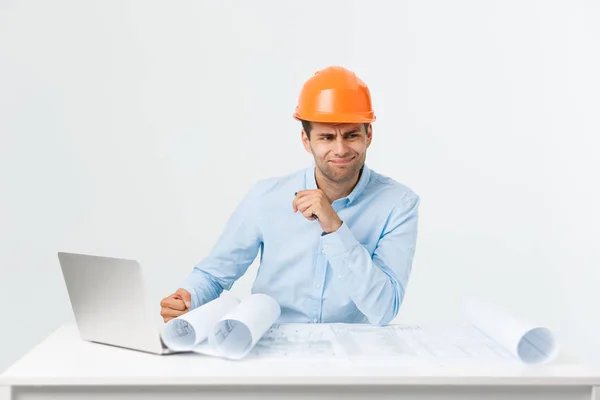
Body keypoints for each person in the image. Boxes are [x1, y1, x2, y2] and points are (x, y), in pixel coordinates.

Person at [160, 66, 420, 326]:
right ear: (306, 141)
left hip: (347, 359)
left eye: (351, 135)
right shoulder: (265, 197)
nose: (340, 149)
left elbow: (384, 309)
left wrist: (335, 229)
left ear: (369, 136)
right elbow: (215, 275)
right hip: (269, 349)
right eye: (326, 137)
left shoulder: (398, 204)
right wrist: (187, 297)